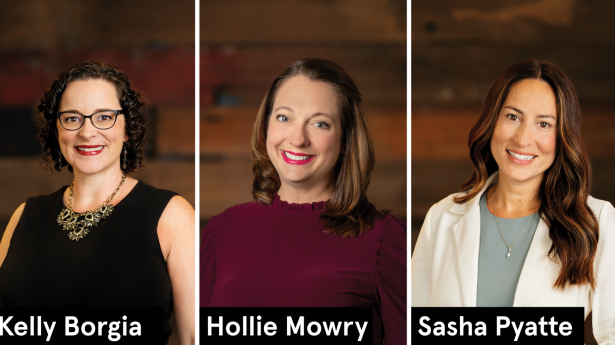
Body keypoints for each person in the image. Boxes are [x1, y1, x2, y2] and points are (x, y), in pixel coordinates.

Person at [200, 58, 406, 344]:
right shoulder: (222, 230)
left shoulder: (384, 239)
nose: (298, 139)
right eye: (284, 118)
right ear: (266, 125)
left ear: (345, 139)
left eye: (320, 124)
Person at [411, 59, 615, 341]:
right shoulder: (442, 217)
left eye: (543, 124)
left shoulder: (597, 220)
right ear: (492, 120)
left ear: (562, 136)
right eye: (513, 117)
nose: (523, 139)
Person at [0, 61, 195, 345]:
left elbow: (193, 337)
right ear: (57, 129)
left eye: (104, 117)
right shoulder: (25, 215)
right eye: (72, 118)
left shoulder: (171, 215)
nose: (87, 132)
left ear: (128, 128)